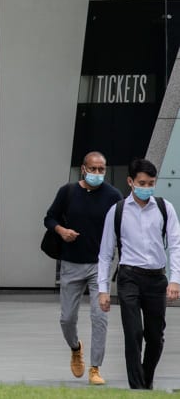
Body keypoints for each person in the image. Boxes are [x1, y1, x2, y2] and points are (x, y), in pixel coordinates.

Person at [98, 158, 180, 390]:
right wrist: (103, 290)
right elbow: (105, 254)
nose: (146, 188)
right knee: (133, 334)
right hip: (129, 277)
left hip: (156, 278)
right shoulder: (117, 211)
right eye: (142, 183)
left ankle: (146, 379)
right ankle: (137, 389)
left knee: (155, 338)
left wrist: (175, 279)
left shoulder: (165, 208)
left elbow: (175, 245)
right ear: (130, 182)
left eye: (151, 183)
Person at [44, 151, 122, 385]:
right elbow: (49, 218)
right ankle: (75, 347)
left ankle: (95, 368)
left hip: (100, 265)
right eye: (93, 169)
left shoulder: (113, 195)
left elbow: (122, 226)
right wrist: (61, 231)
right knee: (67, 318)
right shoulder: (67, 192)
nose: (97, 173)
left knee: (100, 318)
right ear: (83, 168)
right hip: (71, 263)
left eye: (101, 169)